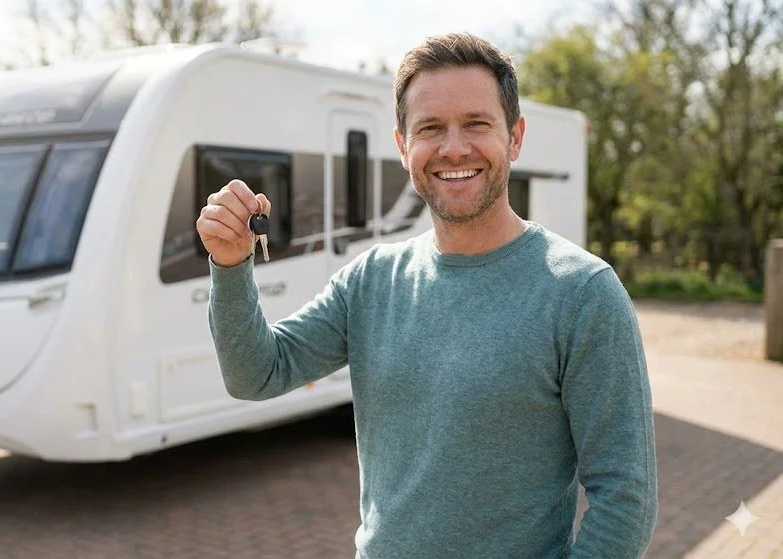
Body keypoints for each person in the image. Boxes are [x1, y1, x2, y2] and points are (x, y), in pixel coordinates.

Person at [195, 32, 658, 558]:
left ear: (515, 137)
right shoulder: (372, 280)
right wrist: (231, 265)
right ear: (402, 147)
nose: (454, 147)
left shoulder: (582, 293)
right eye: (430, 128)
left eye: (477, 124)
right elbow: (257, 374)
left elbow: (625, 497)